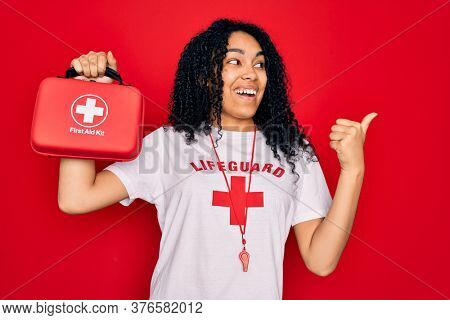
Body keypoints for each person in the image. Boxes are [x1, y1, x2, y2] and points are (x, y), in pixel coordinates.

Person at [58, 18, 377, 300]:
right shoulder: (170, 143)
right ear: (205, 76)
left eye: (260, 64)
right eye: (234, 62)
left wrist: (353, 170)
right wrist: (87, 97)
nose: (251, 74)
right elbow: (76, 198)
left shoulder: (292, 151)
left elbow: (321, 261)